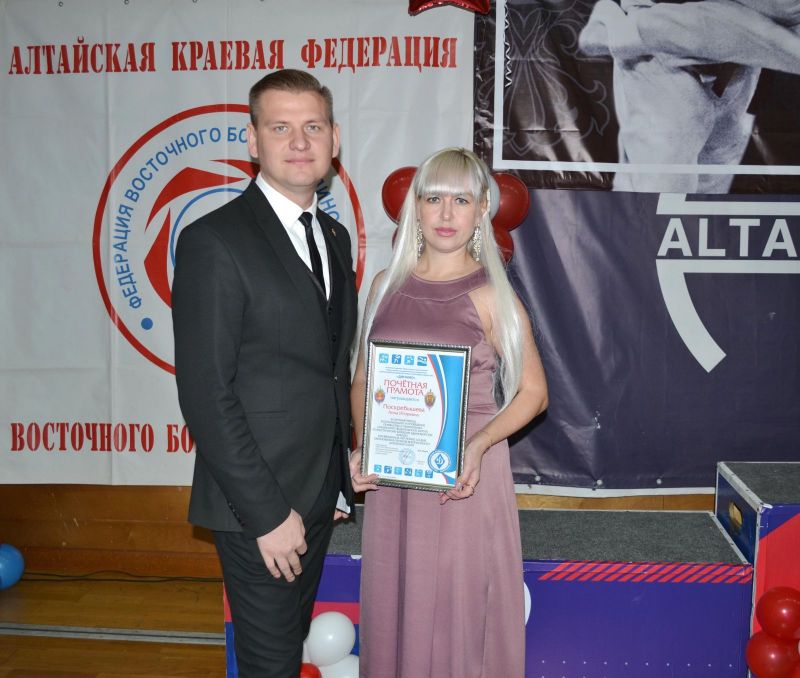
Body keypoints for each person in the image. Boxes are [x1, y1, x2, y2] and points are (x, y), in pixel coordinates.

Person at [171, 69, 357, 677]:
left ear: (334, 140)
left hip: (318, 496)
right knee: (270, 667)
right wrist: (268, 516)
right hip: (261, 509)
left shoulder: (334, 237)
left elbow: (328, 372)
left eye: (313, 127)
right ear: (253, 141)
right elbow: (206, 394)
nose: (299, 142)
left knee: (286, 653)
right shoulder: (214, 241)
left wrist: (337, 475)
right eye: (280, 128)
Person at [349, 147, 549, 677]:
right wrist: (365, 447)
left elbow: (533, 393)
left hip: (464, 478)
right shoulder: (384, 286)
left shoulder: (491, 296)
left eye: (460, 200)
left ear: (481, 209)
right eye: (433, 197)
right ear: (415, 206)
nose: (445, 213)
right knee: (394, 605)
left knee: (456, 611)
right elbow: (364, 380)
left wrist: (477, 445)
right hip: (394, 479)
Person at [579, 0, 800, 192]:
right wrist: (620, 30)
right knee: (663, 190)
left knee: (710, 184)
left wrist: (615, 30)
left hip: (736, 69)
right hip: (664, 58)